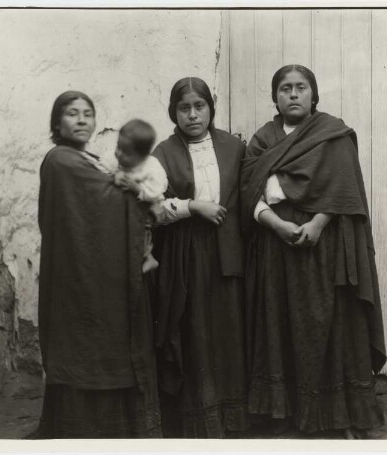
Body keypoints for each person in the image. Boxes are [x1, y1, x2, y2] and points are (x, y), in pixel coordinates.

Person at [240, 65, 387, 438]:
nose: (293, 94)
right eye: (285, 88)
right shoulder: (262, 139)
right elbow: (251, 193)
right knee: (280, 322)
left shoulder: (332, 133)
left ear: (313, 94)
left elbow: (344, 189)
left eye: (300, 87)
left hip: (324, 245)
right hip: (277, 246)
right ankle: (282, 414)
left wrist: (318, 222)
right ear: (275, 97)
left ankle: (336, 416)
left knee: (328, 324)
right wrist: (276, 224)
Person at [34, 91, 161, 438]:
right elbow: (103, 199)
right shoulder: (61, 160)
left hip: (96, 275)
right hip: (76, 277)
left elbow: (112, 191)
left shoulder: (88, 158)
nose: (81, 120)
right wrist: (133, 194)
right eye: (71, 113)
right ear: (57, 122)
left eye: (87, 114)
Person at [152, 77, 249, 438]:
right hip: (185, 256)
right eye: (184, 108)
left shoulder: (234, 148)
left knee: (229, 331)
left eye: (199, 106)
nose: (192, 115)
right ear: (173, 113)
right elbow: (151, 208)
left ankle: (233, 420)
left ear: (211, 108)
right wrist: (192, 207)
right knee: (193, 332)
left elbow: (250, 194)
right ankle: (198, 423)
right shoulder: (162, 153)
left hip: (228, 252)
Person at [113, 119, 168, 273]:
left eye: (126, 152)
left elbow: (156, 191)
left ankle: (148, 258)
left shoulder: (152, 167)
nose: (118, 153)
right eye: (118, 147)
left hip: (149, 205)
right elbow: (114, 173)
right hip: (132, 207)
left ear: (143, 156)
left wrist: (137, 188)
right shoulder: (121, 160)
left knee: (143, 231)